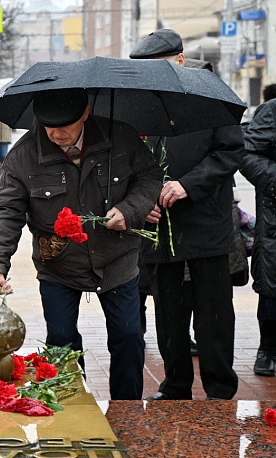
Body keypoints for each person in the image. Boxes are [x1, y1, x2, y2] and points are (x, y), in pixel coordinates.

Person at [0, 87, 162, 400]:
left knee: (128, 336)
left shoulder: (120, 137)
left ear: (85, 113)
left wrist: (130, 210)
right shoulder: (24, 155)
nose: (57, 133)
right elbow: (5, 212)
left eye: (66, 124)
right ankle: (75, 406)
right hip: (59, 264)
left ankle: (127, 410)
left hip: (117, 258)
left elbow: (149, 178)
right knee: (62, 340)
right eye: (49, 125)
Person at [128, 29, 242, 400]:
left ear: (179, 60)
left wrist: (187, 185)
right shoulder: (139, 106)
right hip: (159, 228)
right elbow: (127, 165)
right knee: (169, 316)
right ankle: (175, 385)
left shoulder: (210, 94)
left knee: (214, 316)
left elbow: (229, 153)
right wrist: (142, 201)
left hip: (206, 225)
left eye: (157, 67)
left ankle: (220, 389)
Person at [240, 83, 276, 377]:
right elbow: (248, 155)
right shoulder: (271, 111)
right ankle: (268, 349)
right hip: (275, 221)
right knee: (271, 287)